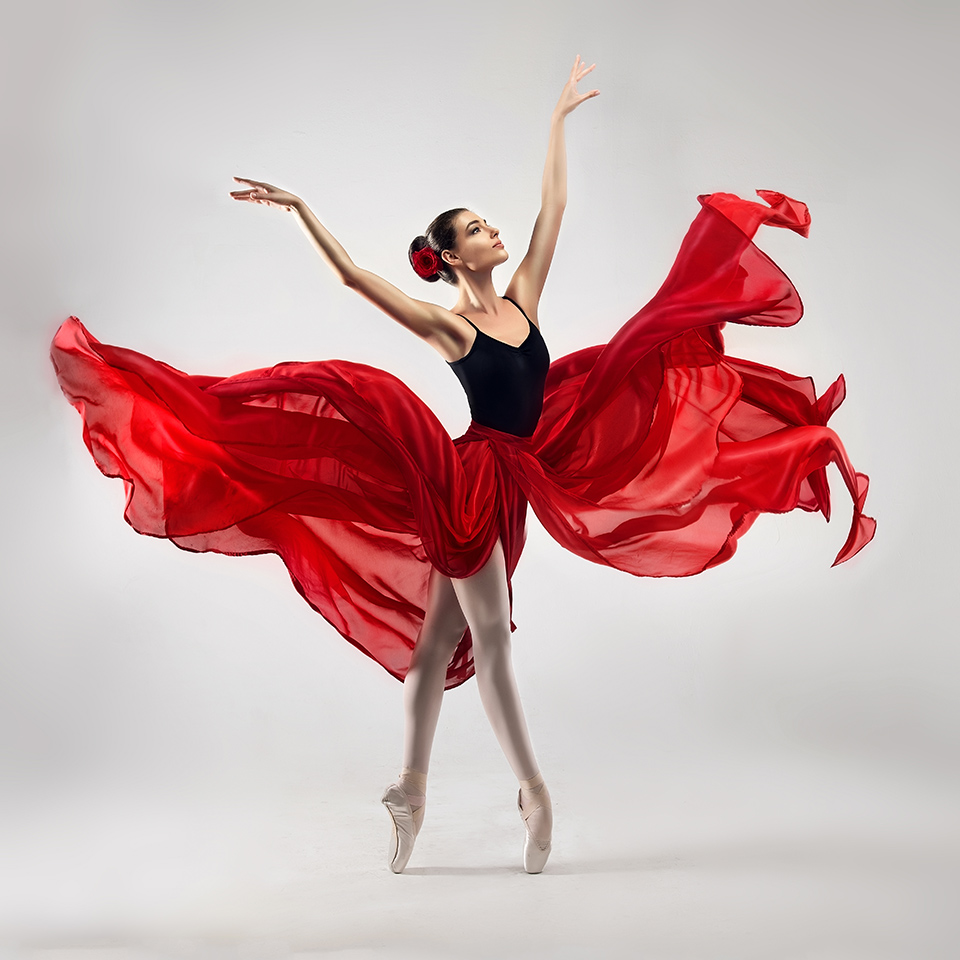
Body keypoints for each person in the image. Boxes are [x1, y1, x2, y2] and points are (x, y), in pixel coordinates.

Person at [50, 57, 875, 877]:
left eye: (488, 223)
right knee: (491, 638)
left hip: (519, 472)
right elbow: (353, 278)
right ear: (448, 257)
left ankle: (409, 793)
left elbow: (554, 207)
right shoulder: (454, 328)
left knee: (432, 647)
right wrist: (303, 208)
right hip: (471, 486)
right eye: (476, 229)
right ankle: (534, 792)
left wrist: (555, 123)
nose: (494, 231)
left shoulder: (521, 299)